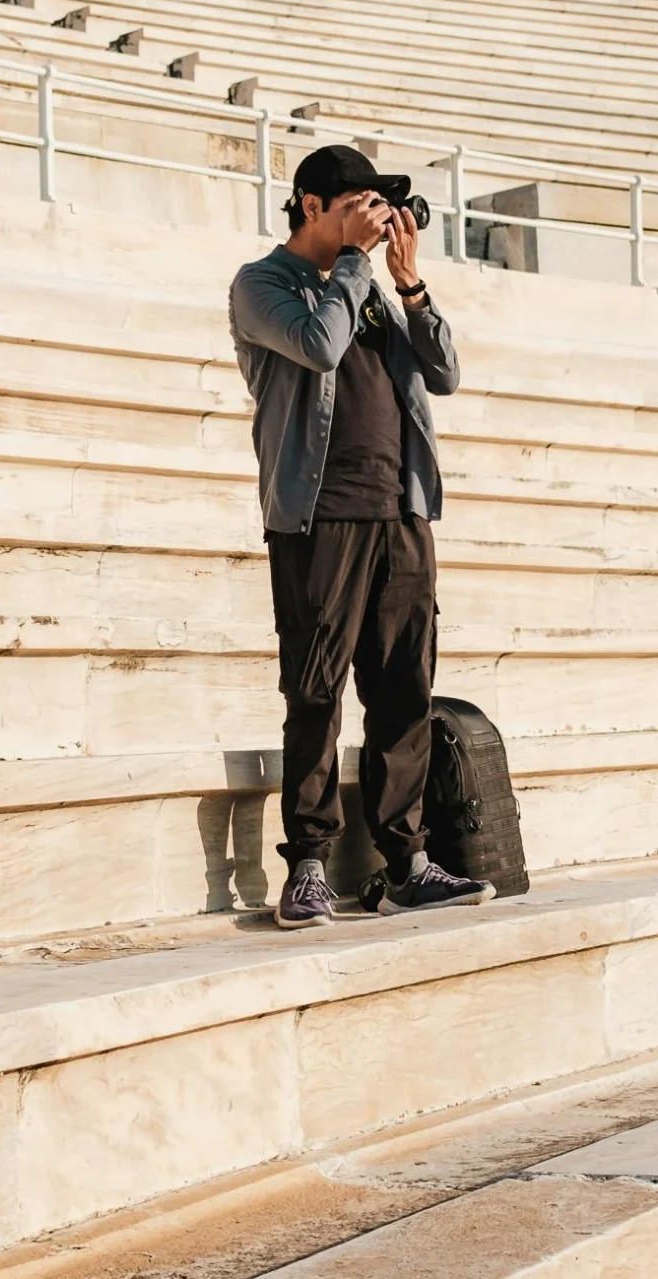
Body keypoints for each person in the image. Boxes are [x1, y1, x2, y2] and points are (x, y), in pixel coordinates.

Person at [229, 144, 497, 929]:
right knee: (314, 690)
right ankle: (308, 862)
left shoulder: (375, 289)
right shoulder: (264, 284)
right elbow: (317, 345)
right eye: (359, 202)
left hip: (403, 511)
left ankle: (406, 863)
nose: (376, 217)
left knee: (403, 693)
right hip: (319, 514)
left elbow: (443, 372)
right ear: (312, 204)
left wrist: (409, 284)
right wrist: (352, 262)